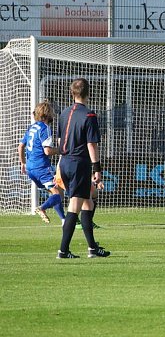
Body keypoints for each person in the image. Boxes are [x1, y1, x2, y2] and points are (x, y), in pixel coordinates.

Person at [55, 78, 110, 259]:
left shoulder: (63, 114)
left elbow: (59, 141)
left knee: (89, 201)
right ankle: (63, 251)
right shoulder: (89, 115)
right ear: (88, 93)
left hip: (65, 162)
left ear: (72, 93)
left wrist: (60, 164)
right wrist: (97, 169)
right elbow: (91, 144)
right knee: (75, 206)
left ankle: (92, 248)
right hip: (79, 163)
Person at [18, 101, 64, 224]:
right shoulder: (45, 128)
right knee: (58, 194)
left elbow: (21, 146)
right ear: (47, 115)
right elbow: (48, 151)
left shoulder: (31, 127)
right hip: (41, 167)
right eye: (52, 113)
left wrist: (23, 163)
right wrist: (62, 150)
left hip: (30, 168)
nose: (53, 115)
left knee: (54, 192)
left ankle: (64, 220)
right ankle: (42, 208)